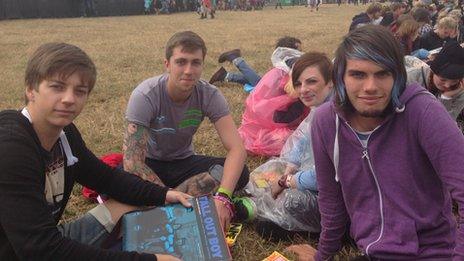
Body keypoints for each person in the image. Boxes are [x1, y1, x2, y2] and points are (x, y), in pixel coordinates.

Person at [0, 42, 192, 260]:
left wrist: (163, 194)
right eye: (57, 87)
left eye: (79, 91)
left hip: (45, 241)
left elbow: (107, 179)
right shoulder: (11, 150)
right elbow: (41, 250)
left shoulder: (65, 134)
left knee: (129, 202)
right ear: (30, 90)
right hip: (27, 252)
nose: (69, 99)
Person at [302, 25, 464, 260]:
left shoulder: (423, 111)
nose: (370, 87)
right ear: (341, 78)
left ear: (397, 76)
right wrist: (323, 255)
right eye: (358, 74)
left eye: (382, 74)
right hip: (372, 251)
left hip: (431, 252)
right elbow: (330, 200)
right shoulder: (326, 122)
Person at [123, 31, 250, 232]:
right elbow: (133, 162)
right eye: (181, 62)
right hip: (150, 164)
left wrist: (223, 197)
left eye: (196, 63)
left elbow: (237, 149)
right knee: (122, 180)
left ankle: (165, 203)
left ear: (202, 64)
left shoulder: (209, 94)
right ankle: (183, 201)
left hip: (184, 162)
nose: (189, 70)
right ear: (167, 64)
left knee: (240, 172)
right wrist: (167, 193)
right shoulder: (145, 95)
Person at [246, 52, 333, 236]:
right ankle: (260, 204)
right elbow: (302, 140)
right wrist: (288, 170)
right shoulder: (320, 108)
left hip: (336, 198)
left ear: (330, 82)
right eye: (298, 83)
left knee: (287, 206)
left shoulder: (336, 115)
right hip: (312, 180)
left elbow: (326, 176)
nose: (303, 90)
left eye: (311, 82)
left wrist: (287, 182)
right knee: (271, 169)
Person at [209, 36, 302, 88]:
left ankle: (226, 75)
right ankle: (235, 58)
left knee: (259, 81)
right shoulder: (290, 61)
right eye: (299, 48)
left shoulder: (284, 61)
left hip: (274, 82)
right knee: (259, 85)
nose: (301, 51)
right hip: (274, 85)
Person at [407, 40, 464, 121]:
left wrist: (446, 98)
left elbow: (446, 122)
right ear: (433, 71)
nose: (447, 85)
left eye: (454, 81)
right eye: (443, 79)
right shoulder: (412, 78)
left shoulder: (460, 91)